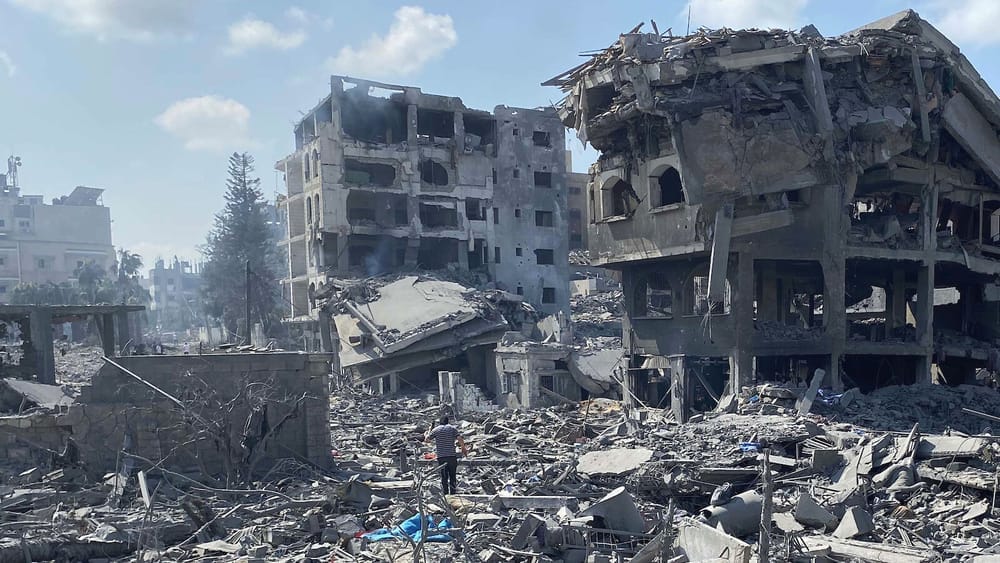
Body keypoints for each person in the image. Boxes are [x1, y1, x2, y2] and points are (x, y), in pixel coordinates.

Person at [426, 416, 468, 495]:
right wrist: (463, 448)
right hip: (451, 456)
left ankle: (445, 494)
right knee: (452, 476)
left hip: (441, 457)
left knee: (444, 477)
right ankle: (453, 494)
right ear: (447, 421)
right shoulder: (452, 428)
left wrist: (429, 430)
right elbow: (459, 438)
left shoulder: (436, 429)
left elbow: (427, 440)